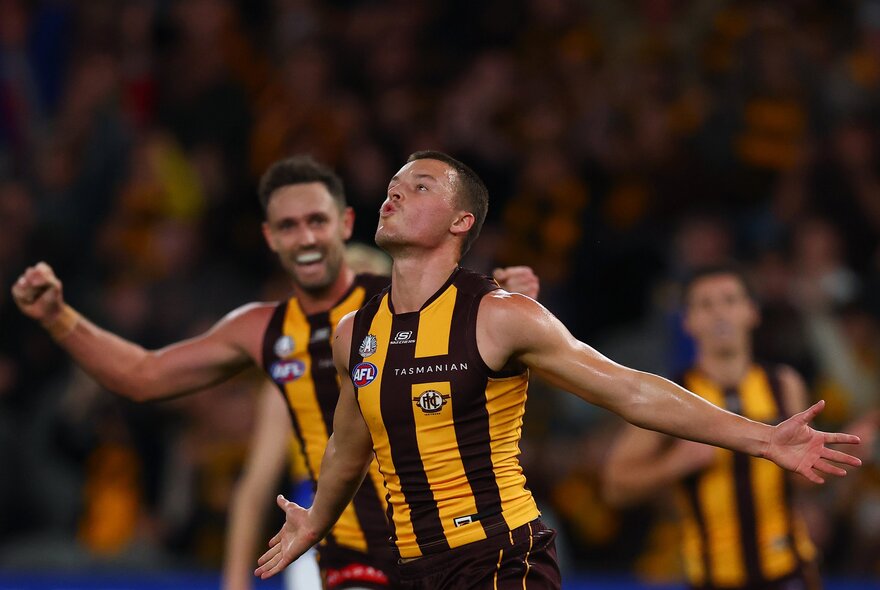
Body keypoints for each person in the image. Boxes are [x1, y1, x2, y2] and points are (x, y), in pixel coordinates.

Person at [251, 151, 862, 590]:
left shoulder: (501, 316)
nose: (395, 193)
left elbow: (628, 389)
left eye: (420, 187)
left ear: (462, 222)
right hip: (410, 568)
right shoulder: (353, 335)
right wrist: (317, 521)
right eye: (393, 184)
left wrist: (762, 438)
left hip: (499, 559)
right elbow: (347, 447)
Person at [10, 154, 540, 590]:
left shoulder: (393, 301)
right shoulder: (266, 333)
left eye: (317, 221)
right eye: (289, 226)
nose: (305, 238)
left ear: (347, 225)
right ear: (270, 238)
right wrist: (59, 318)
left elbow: (470, 333)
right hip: (348, 554)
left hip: (447, 543)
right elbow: (145, 376)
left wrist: (509, 299)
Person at [603, 265, 819, 590]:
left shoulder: (784, 383)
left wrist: (841, 457)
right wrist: (675, 463)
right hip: (711, 578)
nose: (719, 313)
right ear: (688, 321)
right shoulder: (672, 395)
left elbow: (804, 481)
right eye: (705, 304)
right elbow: (614, 487)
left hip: (790, 572)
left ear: (751, 312)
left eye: (730, 300)